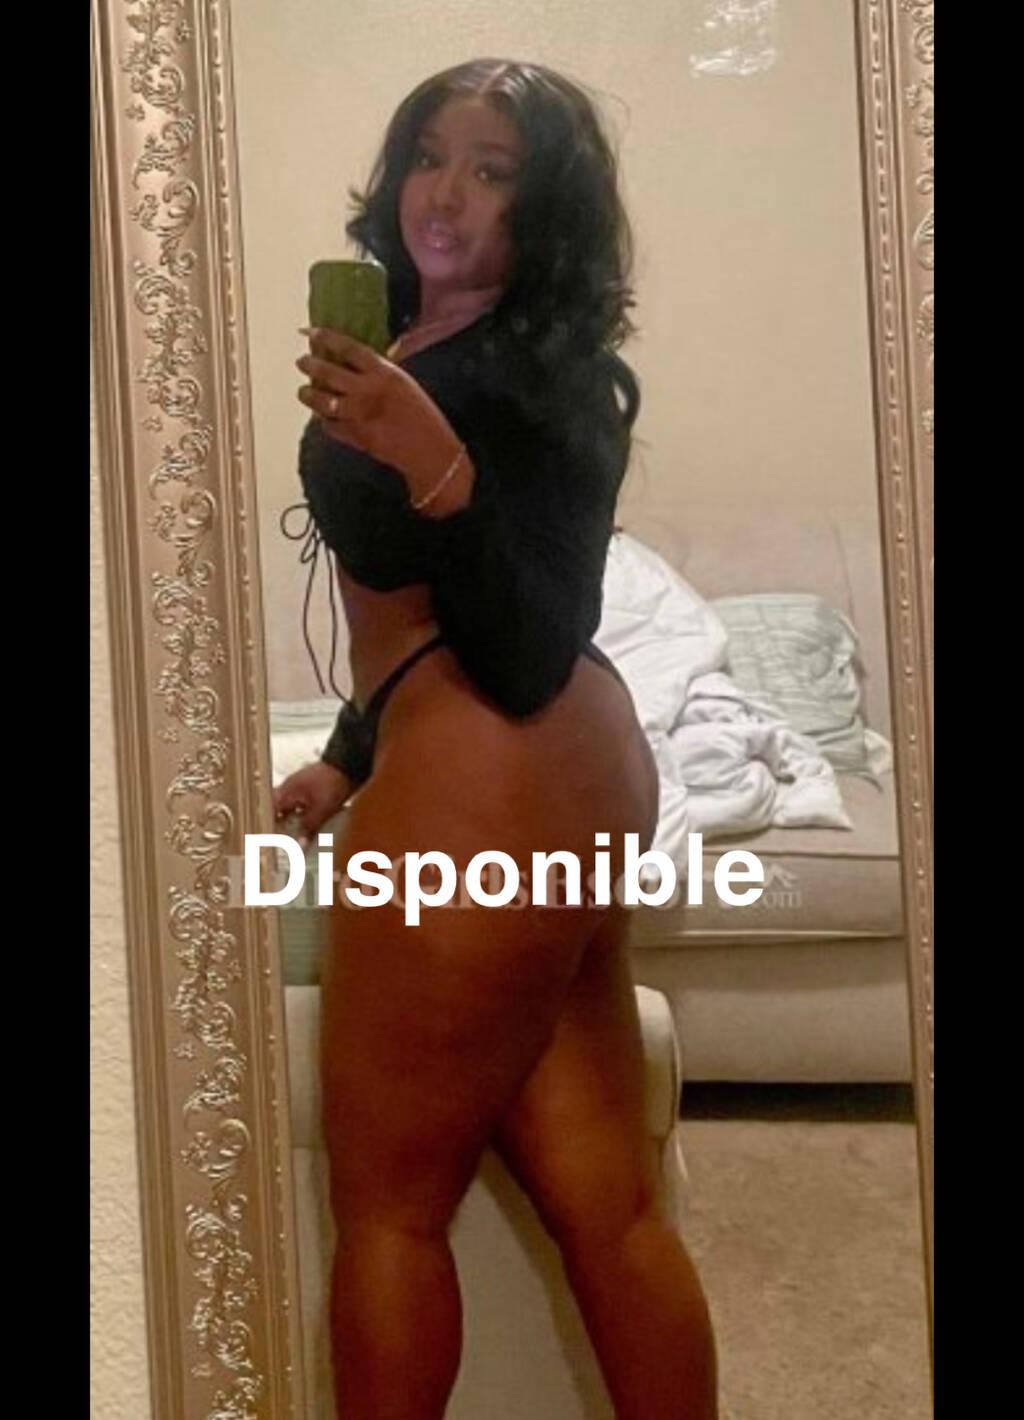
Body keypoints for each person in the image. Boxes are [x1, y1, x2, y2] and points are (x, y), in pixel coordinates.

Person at [273, 58, 718, 1420]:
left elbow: (525, 641)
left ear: (549, 210)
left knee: (390, 1211)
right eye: (429, 155)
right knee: (606, 1198)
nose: (445, 193)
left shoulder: (554, 382)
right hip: (551, 778)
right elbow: (412, 611)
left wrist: (435, 464)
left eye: (492, 170)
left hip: (498, 767)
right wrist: (348, 757)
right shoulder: (410, 350)